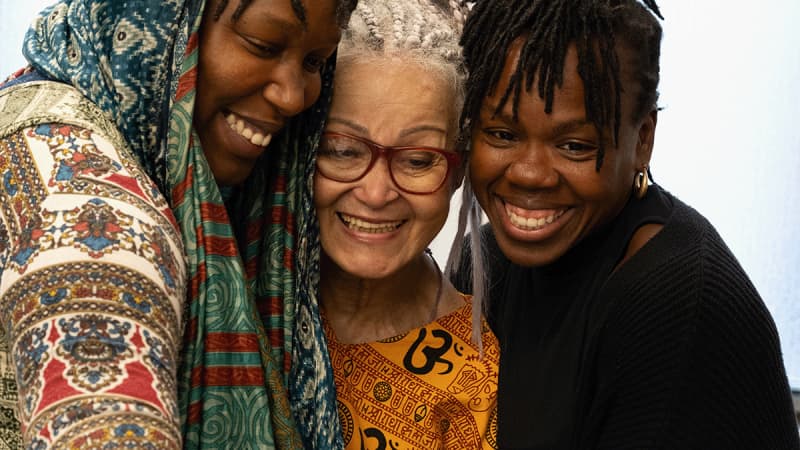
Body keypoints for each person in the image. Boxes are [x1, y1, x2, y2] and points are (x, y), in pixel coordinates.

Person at [0, 0, 357, 448]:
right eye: (262, 44)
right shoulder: (86, 202)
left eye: (314, 62)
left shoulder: (38, 98)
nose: (293, 96)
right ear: (158, 18)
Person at [449, 0, 800, 448]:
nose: (529, 173)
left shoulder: (676, 307)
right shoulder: (488, 264)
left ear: (643, 141)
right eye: (501, 134)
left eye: (574, 145)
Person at [312, 1, 499, 448]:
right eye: (342, 150)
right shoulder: (238, 295)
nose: (376, 194)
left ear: (458, 171)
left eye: (418, 160)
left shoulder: (474, 381)